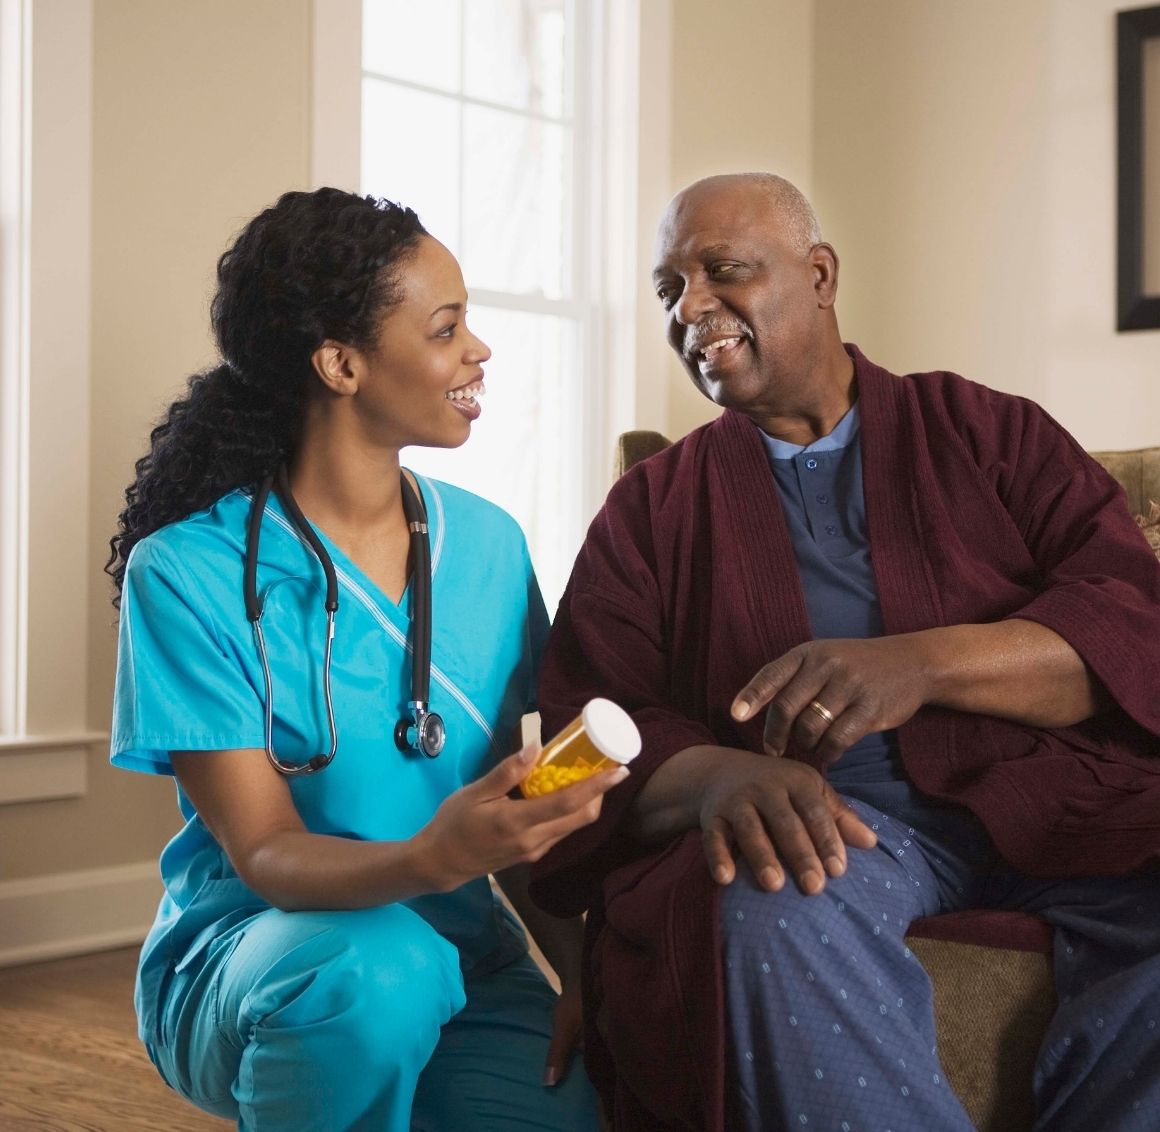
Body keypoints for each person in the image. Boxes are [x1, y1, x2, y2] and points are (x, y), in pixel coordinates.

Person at [529, 172, 1160, 1131]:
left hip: (1060, 798)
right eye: (669, 289)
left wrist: (925, 662)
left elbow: (1130, 621)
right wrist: (709, 778)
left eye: (721, 270)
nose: (691, 306)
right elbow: (587, 729)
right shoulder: (652, 511)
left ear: (820, 276)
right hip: (838, 826)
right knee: (765, 905)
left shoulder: (994, 434)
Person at [106, 187, 616, 1131]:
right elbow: (262, 852)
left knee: (575, 1107)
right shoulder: (185, 573)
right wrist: (431, 855)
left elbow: (516, 806)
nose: (479, 351)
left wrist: (584, 971)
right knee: (381, 976)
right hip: (267, 959)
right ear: (341, 363)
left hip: (464, 958)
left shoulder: (491, 547)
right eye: (446, 327)